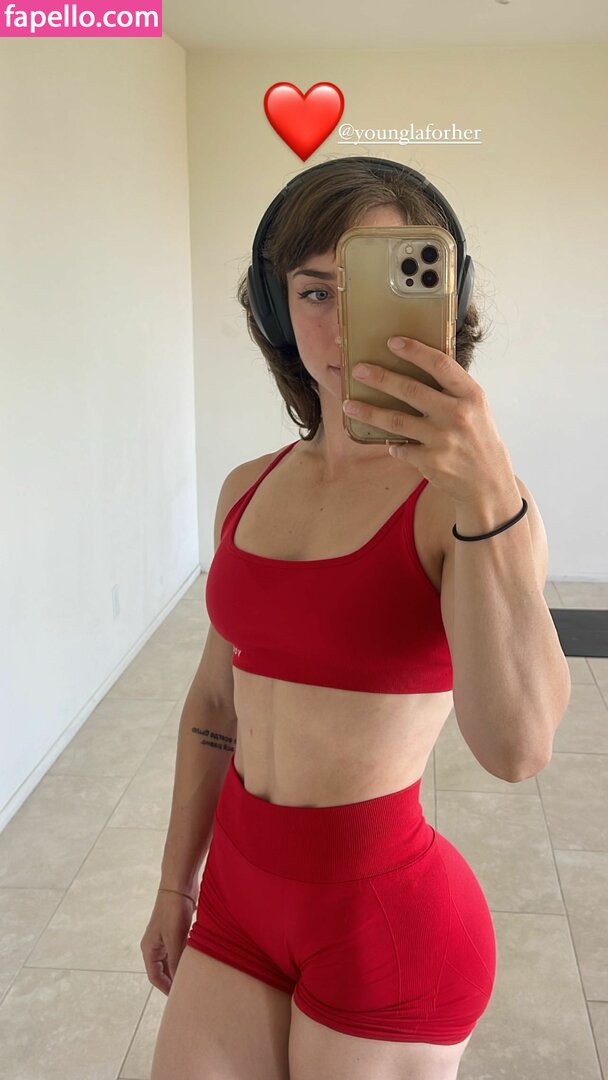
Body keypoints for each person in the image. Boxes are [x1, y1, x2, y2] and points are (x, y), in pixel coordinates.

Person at [143, 156, 565, 1080]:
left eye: (370, 289)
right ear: (277, 310)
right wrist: (177, 881)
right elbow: (214, 705)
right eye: (314, 291)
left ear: (444, 305)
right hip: (240, 901)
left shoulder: (465, 506)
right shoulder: (245, 489)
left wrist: (487, 487)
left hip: (386, 924)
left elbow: (518, 748)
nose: (341, 327)